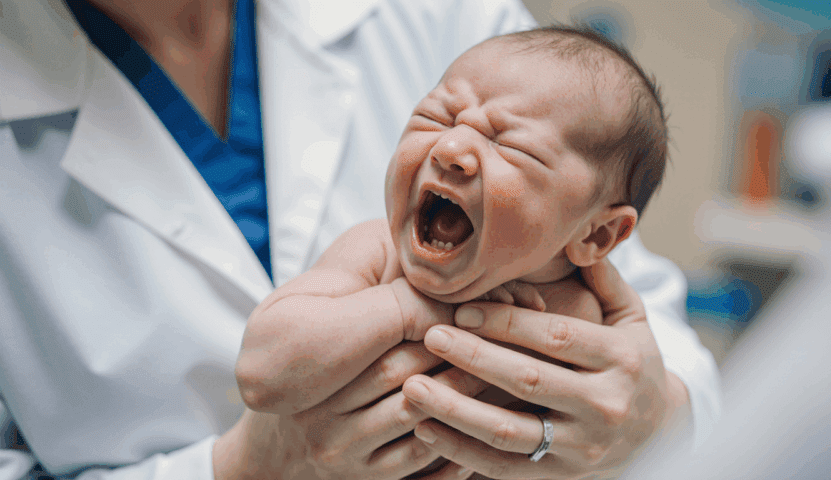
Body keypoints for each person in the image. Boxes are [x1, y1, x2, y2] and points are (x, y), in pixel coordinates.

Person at [0, 0, 720, 479]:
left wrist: (652, 416)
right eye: (436, 117)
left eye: (514, 148)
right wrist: (250, 465)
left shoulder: (576, 295)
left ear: (595, 238)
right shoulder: (375, 256)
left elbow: (653, 357)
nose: (456, 149)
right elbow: (265, 366)